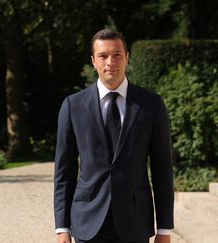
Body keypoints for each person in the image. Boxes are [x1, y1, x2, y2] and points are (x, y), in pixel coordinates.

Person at [53, 28, 174, 243]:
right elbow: (64, 171)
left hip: (134, 220)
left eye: (117, 54)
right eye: (103, 56)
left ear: (127, 58)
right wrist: (62, 227)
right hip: (87, 221)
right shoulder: (73, 106)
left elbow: (162, 168)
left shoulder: (152, 104)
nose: (111, 61)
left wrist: (164, 229)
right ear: (93, 61)